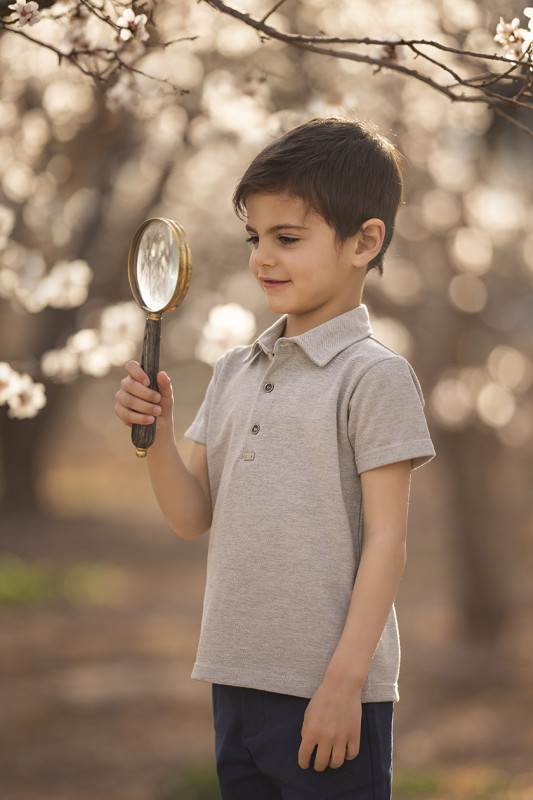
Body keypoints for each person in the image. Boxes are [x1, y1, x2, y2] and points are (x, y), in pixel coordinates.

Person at [115, 117, 435, 800]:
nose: (264, 256)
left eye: (288, 238)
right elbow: (189, 517)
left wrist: (345, 683)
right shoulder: (234, 369)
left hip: (330, 692)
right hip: (234, 679)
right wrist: (158, 436)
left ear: (364, 241)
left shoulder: (371, 376)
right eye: (254, 237)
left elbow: (387, 542)